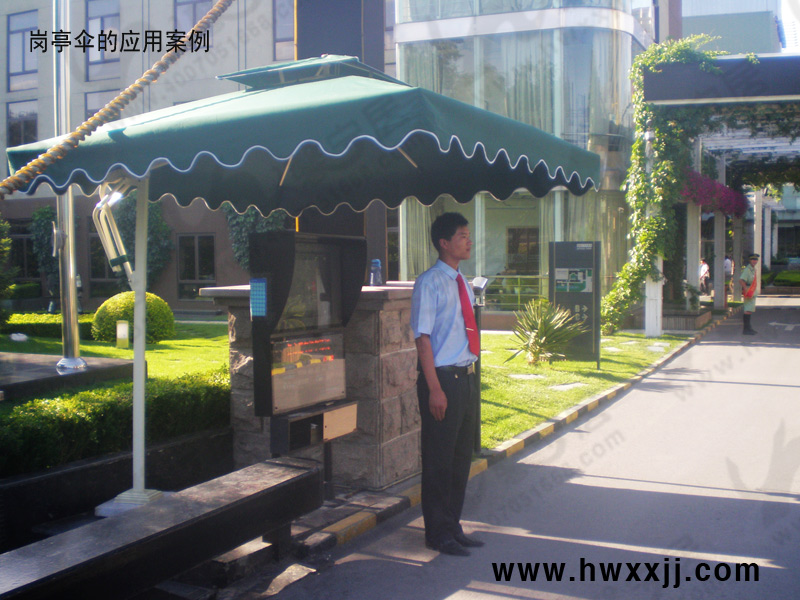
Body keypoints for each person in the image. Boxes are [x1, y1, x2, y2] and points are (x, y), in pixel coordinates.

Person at [410, 212, 483, 557]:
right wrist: (435, 389)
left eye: (469, 235)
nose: (469, 241)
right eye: (462, 236)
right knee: (439, 461)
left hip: (466, 378)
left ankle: (453, 526)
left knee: (460, 459)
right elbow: (422, 338)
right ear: (444, 243)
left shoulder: (462, 281)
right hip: (443, 380)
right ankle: (437, 532)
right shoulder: (430, 283)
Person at [740, 253, 760, 335]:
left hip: (752, 291)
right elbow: (741, 280)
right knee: (747, 310)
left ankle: (749, 328)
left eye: (756, 259)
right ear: (750, 260)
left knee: (750, 310)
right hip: (749, 291)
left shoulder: (753, 269)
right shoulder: (747, 270)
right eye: (753, 259)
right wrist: (746, 289)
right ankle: (746, 329)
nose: (754, 261)